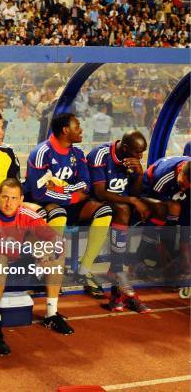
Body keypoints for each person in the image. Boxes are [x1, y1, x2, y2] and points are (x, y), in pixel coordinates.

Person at [0, 178, 73, 356]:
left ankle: (51, 314)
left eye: (14, 198)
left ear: (21, 200)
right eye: (5, 197)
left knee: (55, 254)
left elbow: (56, 238)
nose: (8, 202)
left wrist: (49, 251)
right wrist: (30, 250)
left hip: (19, 256)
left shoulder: (28, 214)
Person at [26, 113, 113, 298]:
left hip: (68, 200)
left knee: (104, 210)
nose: (81, 130)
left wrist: (61, 186)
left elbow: (86, 185)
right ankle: (49, 270)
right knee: (58, 214)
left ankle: (83, 271)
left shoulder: (78, 153)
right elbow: (39, 192)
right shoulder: (41, 153)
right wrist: (72, 196)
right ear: (65, 130)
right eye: (77, 126)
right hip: (47, 204)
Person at [87, 131, 153, 313]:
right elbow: (99, 192)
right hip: (96, 205)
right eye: (137, 152)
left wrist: (139, 174)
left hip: (121, 207)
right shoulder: (101, 154)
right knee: (125, 208)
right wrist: (132, 201)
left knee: (151, 209)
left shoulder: (132, 161)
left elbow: (135, 193)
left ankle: (117, 287)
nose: (140, 156)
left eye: (142, 153)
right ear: (124, 148)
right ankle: (118, 272)